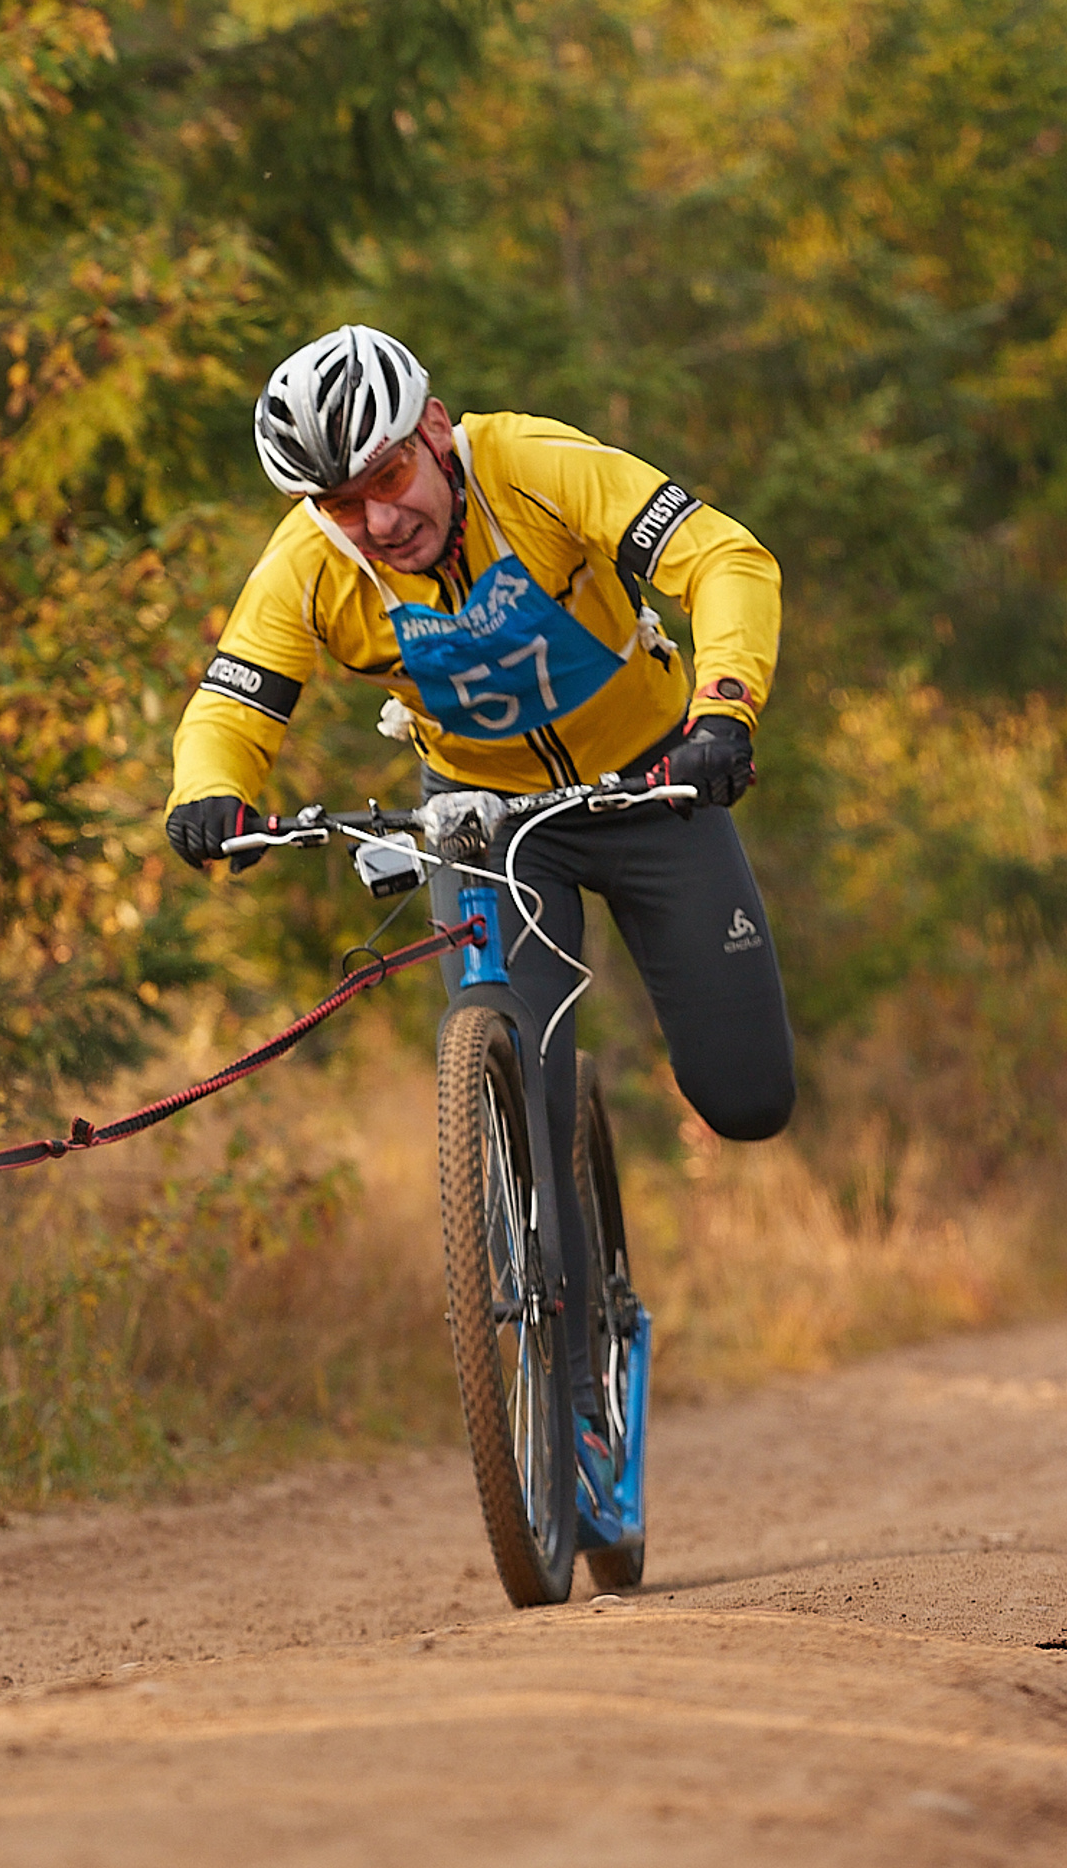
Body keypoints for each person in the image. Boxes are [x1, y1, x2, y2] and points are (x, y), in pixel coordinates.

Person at [164, 324, 795, 1525]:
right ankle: (569, 1403)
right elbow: (232, 702)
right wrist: (210, 792)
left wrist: (724, 710)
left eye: (390, 477)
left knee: (749, 1099)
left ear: (438, 431)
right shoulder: (312, 562)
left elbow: (724, 556)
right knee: (520, 1098)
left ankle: (608, 1265)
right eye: (341, 504)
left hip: (656, 785)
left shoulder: (533, 466)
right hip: (491, 825)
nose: (376, 520)